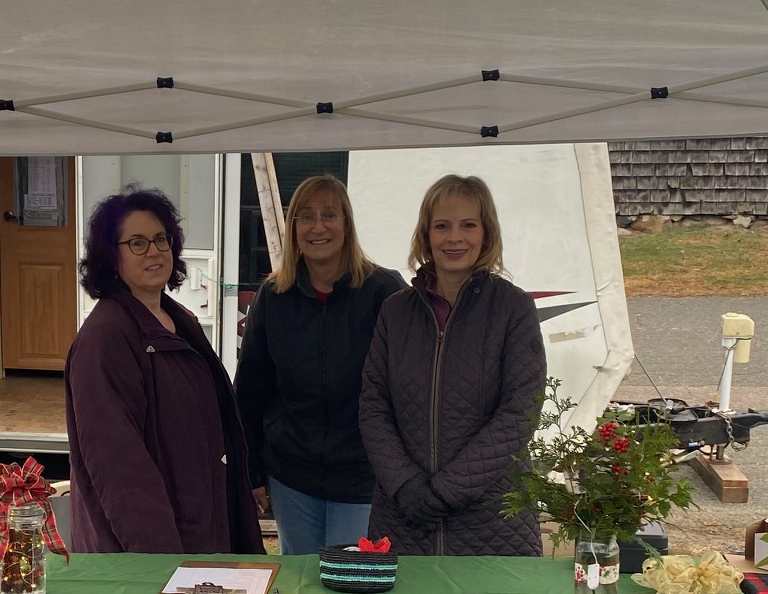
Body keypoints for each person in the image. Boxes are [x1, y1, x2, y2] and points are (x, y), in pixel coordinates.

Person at [64, 188, 262, 555]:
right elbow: (118, 465)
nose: (154, 251)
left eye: (160, 238)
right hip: (155, 551)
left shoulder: (178, 320)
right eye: (137, 243)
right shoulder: (106, 338)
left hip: (202, 532)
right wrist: (160, 560)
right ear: (110, 255)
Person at [358, 174, 546, 556]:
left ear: (486, 233)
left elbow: (519, 413)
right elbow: (373, 407)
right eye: (442, 226)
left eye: (468, 225)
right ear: (426, 235)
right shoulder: (396, 312)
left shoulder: (514, 308)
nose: (454, 238)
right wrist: (406, 485)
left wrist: (445, 492)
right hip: (405, 519)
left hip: (494, 522)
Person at [234, 175, 406, 554]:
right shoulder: (273, 297)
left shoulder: (385, 292)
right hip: (291, 478)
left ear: (347, 223)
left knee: (350, 581)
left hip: (363, 479)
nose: (318, 227)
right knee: (303, 583)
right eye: (306, 217)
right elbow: (249, 392)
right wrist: (252, 471)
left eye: (329, 215)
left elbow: (410, 389)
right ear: (293, 227)